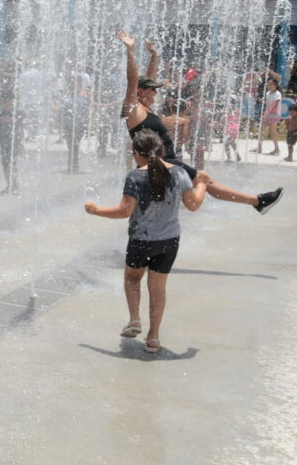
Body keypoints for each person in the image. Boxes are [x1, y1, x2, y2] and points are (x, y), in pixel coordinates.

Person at [117, 31, 282, 214]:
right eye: (151, 90)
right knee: (206, 183)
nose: (155, 93)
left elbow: (150, 77)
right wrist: (130, 50)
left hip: (166, 162)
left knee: (163, 206)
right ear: (140, 91)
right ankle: (258, 201)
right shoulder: (133, 109)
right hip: (160, 164)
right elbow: (132, 80)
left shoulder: (144, 108)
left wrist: (154, 56)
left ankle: (257, 201)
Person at [84, 130, 207, 354]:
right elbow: (194, 205)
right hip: (169, 241)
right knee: (158, 289)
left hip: (141, 239)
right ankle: (153, 338)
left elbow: (124, 211)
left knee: (132, 278)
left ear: (138, 154)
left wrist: (95, 210)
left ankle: (134, 320)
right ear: (160, 150)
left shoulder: (135, 176)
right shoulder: (179, 172)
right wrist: (203, 184)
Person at [0, 94, 24, 194]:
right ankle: (9, 184)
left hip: (15, 141)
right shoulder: (0, 113)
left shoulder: (18, 112)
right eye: (4, 101)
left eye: (7, 101)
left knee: (13, 163)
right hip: (3, 141)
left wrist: (21, 143)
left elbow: (21, 128)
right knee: (5, 163)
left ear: (12, 101)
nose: (5, 103)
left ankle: (15, 184)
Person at [255, 77, 282, 155]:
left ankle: (277, 149)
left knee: (272, 131)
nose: (269, 86)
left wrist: (266, 113)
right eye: (268, 84)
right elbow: (268, 103)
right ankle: (259, 148)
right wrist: (262, 100)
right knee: (261, 129)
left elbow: (275, 105)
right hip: (268, 113)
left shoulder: (277, 93)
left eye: (271, 84)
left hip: (275, 114)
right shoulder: (267, 93)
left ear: (275, 85)